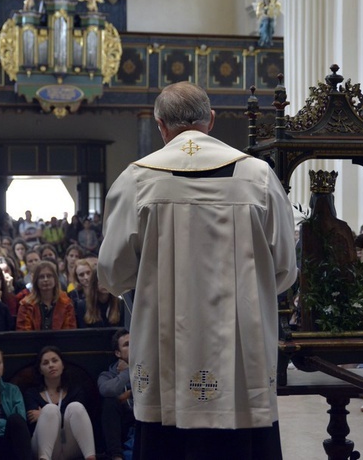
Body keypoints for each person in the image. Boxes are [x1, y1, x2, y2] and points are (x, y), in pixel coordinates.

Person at [97, 81, 297, 458]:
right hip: (243, 357)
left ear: (160, 125)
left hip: (163, 351)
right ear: (212, 121)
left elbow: (111, 272)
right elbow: (285, 267)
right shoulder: (258, 176)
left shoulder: (138, 179)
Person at [24, 346, 96, 460]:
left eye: (55, 360)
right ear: (40, 370)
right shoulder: (31, 393)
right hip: (44, 446)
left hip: (70, 445)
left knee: (75, 407)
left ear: (62, 365)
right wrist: (50, 414)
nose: (51, 365)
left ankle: (91, 457)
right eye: (45, 363)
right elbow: (32, 421)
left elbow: (80, 420)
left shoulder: (76, 390)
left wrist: (43, 416)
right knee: (50, 409)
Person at [97, 329, 134, 460]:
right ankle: (116, 456)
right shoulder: (107, 375)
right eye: (127, 344)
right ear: (118, 353)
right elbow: (107, 390)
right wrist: (129, 371)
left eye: (134, 342)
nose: (133, 346)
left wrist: (129, 393)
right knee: (109, 402)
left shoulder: (148, 370)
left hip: (143, 419)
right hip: (123, 423)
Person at [16, 261, 76, 331]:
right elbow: (24, 335)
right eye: (41, 277)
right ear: (36, 281)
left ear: (55, 279)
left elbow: (69, 333)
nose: (46, 279)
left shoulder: (66, 303)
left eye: (49, 276)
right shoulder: (26, 305)